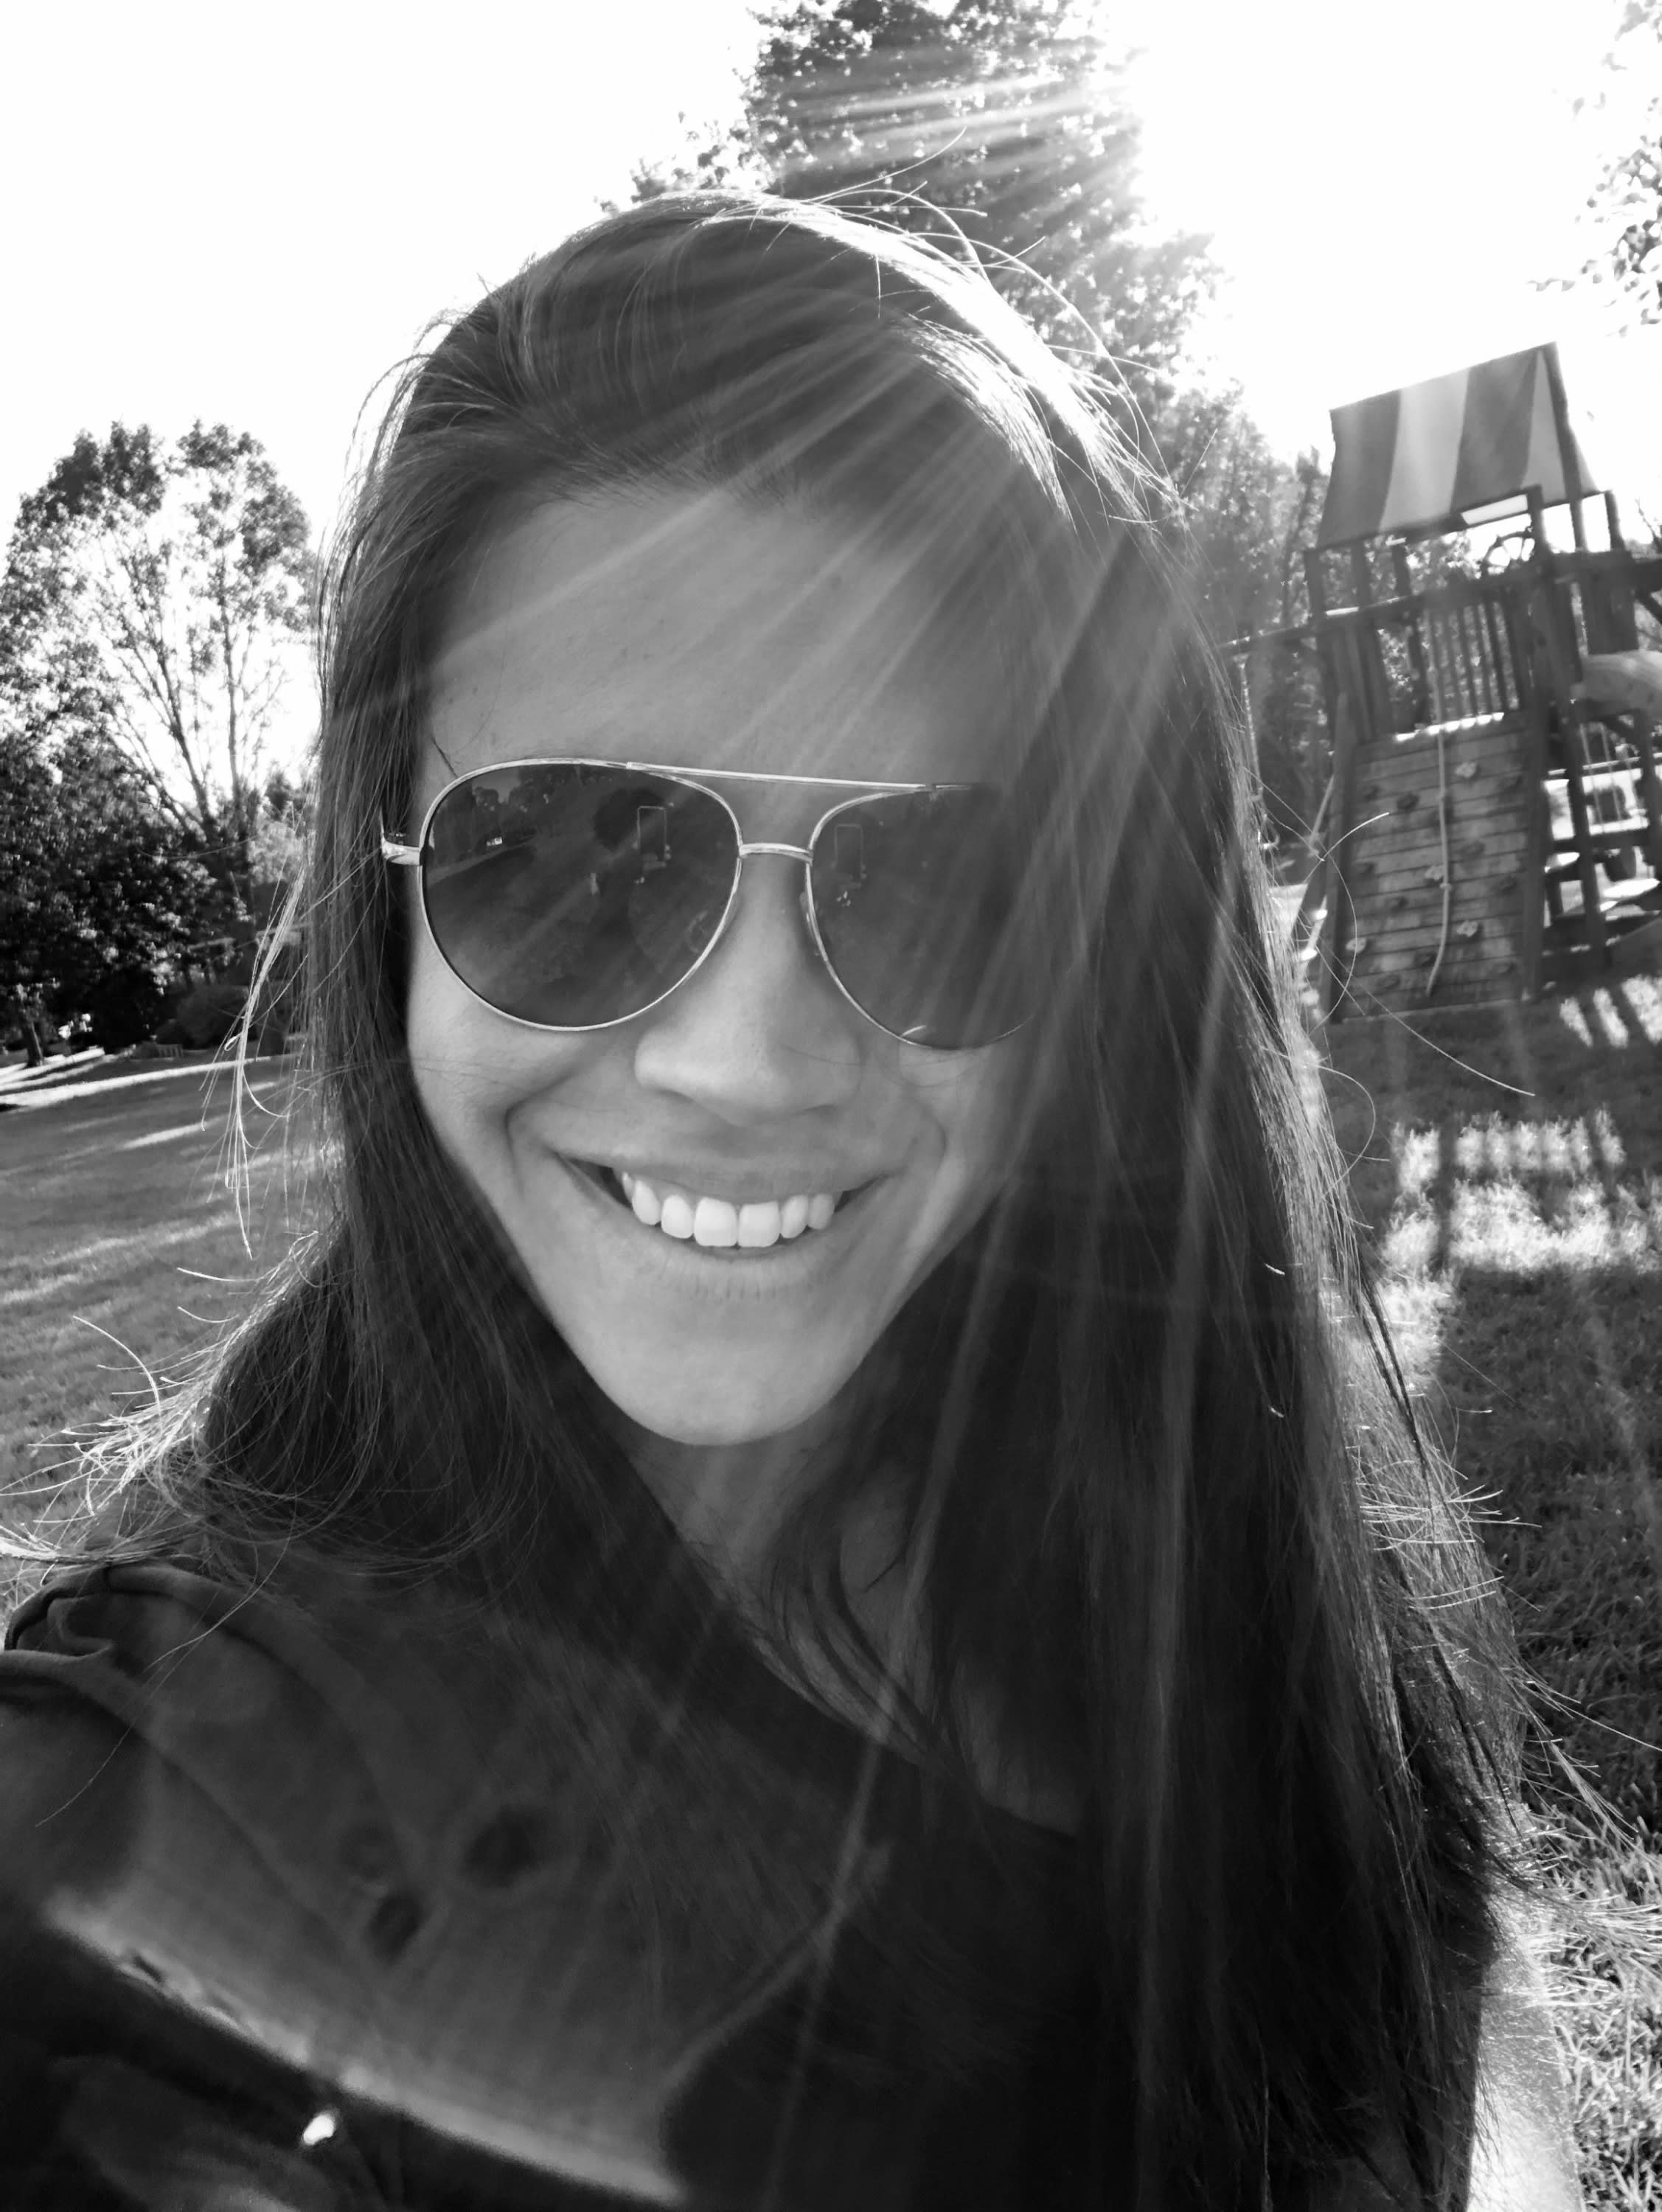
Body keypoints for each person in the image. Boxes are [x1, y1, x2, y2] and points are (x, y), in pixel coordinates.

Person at [0, 195, 1581, 2211]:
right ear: (384, 893)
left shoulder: (1235, 1534)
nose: (746, 1062)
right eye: (567, 856)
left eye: (947, 881)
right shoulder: (160, 1794)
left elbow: (1458, 2067)